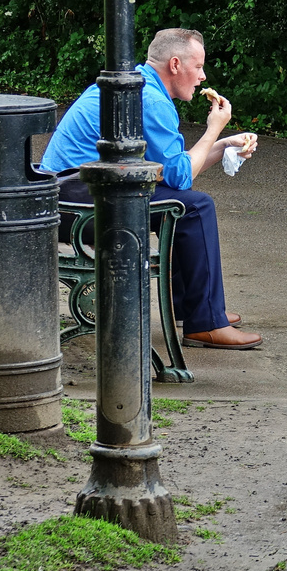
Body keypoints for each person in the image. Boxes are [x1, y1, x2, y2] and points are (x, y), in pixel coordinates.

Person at [43, 28, 261, 349]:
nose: (203, 76)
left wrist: (224, 143)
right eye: (198, 66)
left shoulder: (135, 84)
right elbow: (180, 177)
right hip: (80, 205)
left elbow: (172, 171)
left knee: (183, 203)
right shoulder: (152, 100)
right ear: (175, 64)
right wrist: (214, 129)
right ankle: (205, 322)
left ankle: (193, 310)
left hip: (70, 196)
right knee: (195, 207)